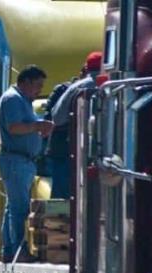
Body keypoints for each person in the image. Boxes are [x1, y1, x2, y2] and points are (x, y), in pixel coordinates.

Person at [0, 65, 54, 263]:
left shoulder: (22, 100)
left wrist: (38, 128)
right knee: (19, 209)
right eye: (37, 85)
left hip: (22, 160)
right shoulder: (13, 99)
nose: (39, 90)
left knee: (12, 207)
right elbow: (14, 127)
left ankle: (9, 249)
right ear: (26, 82)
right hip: (16, 159)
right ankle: (19, 251)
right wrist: (38, 126)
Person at [47, 51, 103, 198]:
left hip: (68, 151)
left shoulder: (75, 87)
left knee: (63, 201)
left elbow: (57, 117)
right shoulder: (111, 84)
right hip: (99, 153)